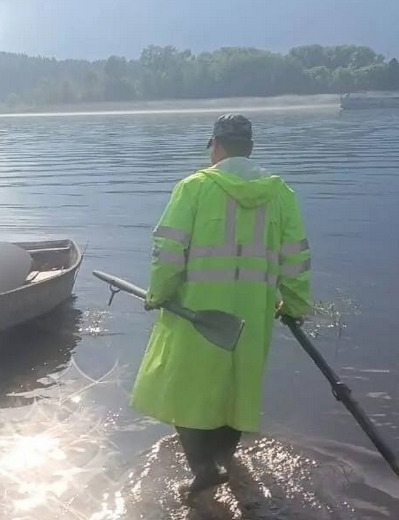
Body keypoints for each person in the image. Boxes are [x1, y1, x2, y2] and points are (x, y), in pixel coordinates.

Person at [129, 114, 312, 502]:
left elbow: (169, 249)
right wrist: (294, 305)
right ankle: (224, 461)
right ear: (251, 148)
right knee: (236, 389)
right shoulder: (280, 194)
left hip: (196, 313)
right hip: (252, 315)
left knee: (188, 390)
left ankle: (204, 469)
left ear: (216, 145)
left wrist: (158, 293)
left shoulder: (194, 187)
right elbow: (294, 258)